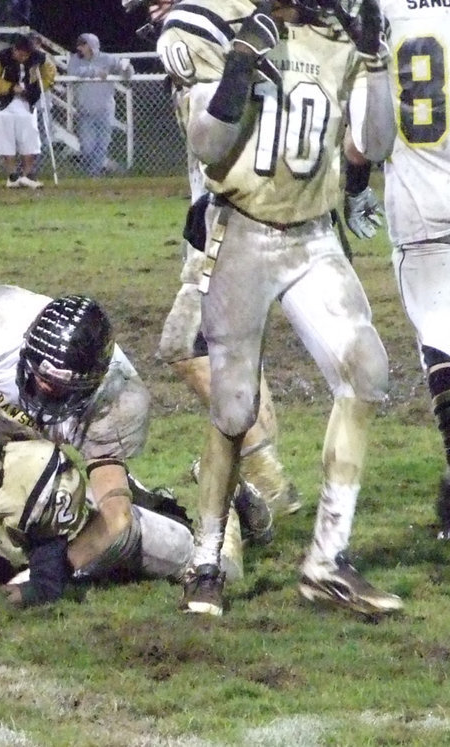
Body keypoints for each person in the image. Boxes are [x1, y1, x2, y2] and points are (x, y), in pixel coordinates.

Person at [158, 0, 400, 616]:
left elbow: (372, 144)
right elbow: (206, 146)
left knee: (367, 372)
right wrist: (240, 64)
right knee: (234, 407)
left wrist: (373, 65)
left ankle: (326, 560)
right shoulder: (216, 22)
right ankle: (205, 557)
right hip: (241, 231)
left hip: (314, 237)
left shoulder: (339, 33)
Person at [0, 286, 271, 580]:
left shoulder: (119, 402)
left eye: (60, 389)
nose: (44, 392)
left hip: (34, 450)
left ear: (91, 382)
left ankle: (221, 510)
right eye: (41, 378)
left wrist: (56, 571)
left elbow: (114, 516)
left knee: (188, 555)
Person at [125, 0, 301, 518]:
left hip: (234, 207)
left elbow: (216, 135)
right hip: (285, 197)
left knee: (186, 343)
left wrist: (211, 209)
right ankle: (267, 470)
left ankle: (265, 472)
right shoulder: (247, 13)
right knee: (236, 349)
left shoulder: (187, 28)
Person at [0, 380, 203, 607]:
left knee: (191, 550)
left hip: (92, 539)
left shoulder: (30, 474)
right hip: (12, 547)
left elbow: (49, 580)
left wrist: (8, 595)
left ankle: (222, 508)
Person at [375, 0, 450, 539]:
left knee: (442, 346)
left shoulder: (381, 12)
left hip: (419, 210)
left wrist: (355, 185)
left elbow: (363, 143)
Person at [0, 34, 54, 189]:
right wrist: (9, 87)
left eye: (26, 55)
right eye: (21, 55)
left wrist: (34, 90)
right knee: (6, 139)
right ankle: (12, 175)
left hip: (27, 104)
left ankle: (28, 175)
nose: (23, 58)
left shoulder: (39, 58)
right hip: (5, 104)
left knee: (30, 138)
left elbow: (50, 74)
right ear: (14, 50)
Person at [67, 33, 132, 177]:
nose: (79, 48)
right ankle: (89, 170)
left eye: (83, 45)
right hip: (85, 111)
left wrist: (126, 68)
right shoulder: (75, 60)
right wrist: (94, 72)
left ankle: (94, 175)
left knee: (102, 145)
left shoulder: (107, 59)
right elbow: (72, 72)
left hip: (105, 109)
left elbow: (126, 73)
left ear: (91, 46)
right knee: (87, 146)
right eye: (79, 45)